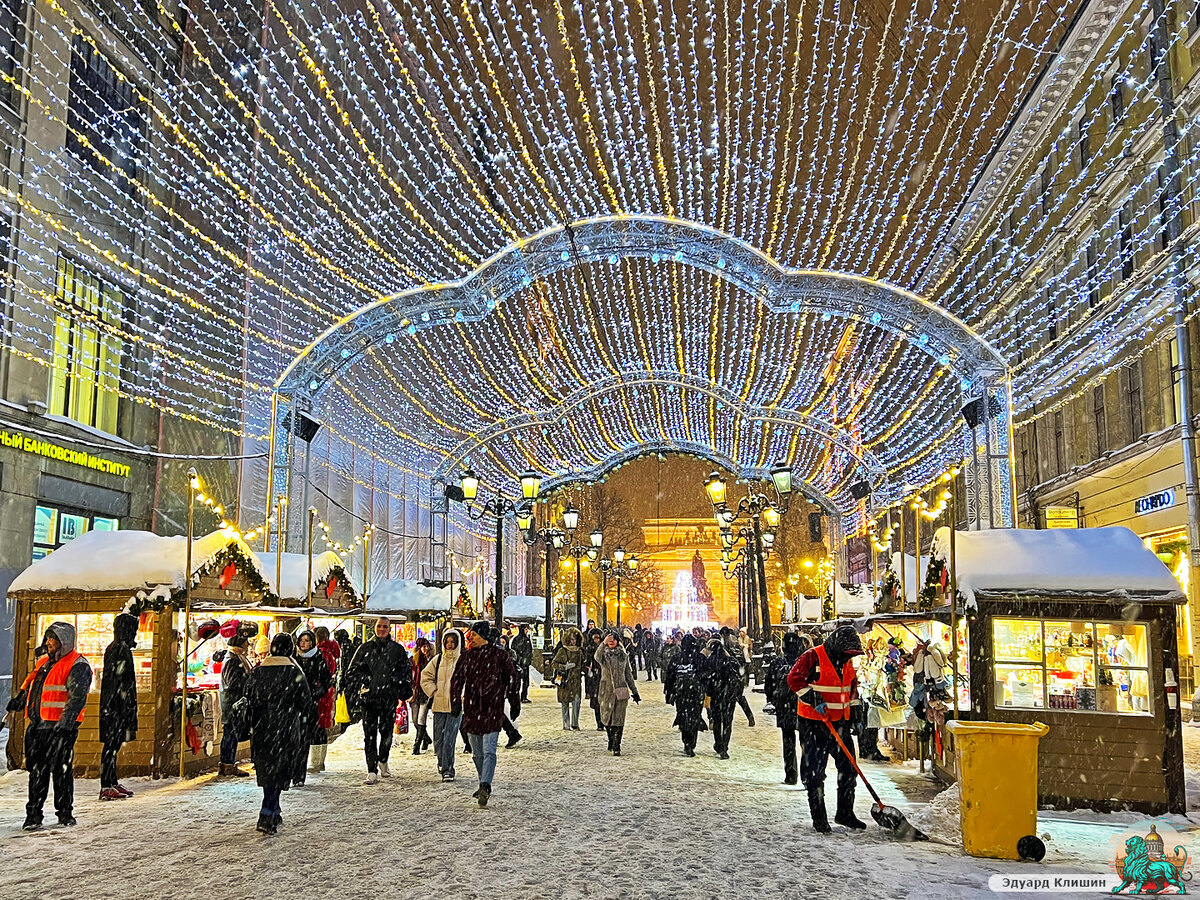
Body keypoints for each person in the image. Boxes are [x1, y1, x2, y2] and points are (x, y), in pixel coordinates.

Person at [9, 622, 93, 830]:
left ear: (63, 641)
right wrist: (20, 700)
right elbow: (33, 687)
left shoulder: (77, 664)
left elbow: (76, 699)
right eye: (47, 638)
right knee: (37, 772)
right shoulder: (45, 663)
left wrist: (65, 726)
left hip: (60, 728)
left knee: (61, 771)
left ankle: (65, 813)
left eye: (51, 639)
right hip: (38, 727)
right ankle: (33, 815)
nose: (47, 643)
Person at [787, 624, 866, 833]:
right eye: (847, 653)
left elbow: (852, 689)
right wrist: (813, 697)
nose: (849, 657)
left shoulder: (846, 662)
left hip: (840, 723)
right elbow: (794, 679)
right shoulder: (812, 656)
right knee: (815, 772)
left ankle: (845, 813)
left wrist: (856, 712)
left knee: (849, 770)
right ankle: (819, 818)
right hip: (814, 723)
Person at [243, 633, 311, 835]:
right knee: (280, 771)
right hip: (286, 729)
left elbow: (248, 698)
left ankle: (274, 809)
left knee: (268, 771)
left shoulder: (258, 672)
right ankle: (266, 813)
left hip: (262, 729)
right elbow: (305, 703)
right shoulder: (294, 672)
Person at [450, 621, 520, 807]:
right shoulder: (467, 657)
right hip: (473, 709)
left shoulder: (500, 656)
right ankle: (483, 781)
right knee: (477, 753)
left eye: (473, 635)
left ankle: (485, 784)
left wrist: (514, 702)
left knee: (489, 750)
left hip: (492, 708)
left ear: (482, 636)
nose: (470, 638)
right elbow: (456, 680)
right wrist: (455, 701)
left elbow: (512, 679)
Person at [345, 617, 412, 784]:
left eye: (385, 626)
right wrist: (367, 679)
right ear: (375, 628)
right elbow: (351, 671)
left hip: (389, 698)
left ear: (389, 629)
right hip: (369, 698)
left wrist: (396, 682)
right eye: (379, 626)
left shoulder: (397, 650)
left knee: (387, 732)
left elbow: (406, 672)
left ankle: (383, 759)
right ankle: (371, 769)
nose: (381, 629)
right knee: (369, 734)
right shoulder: (365, 649)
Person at [98, 612, 138, 800]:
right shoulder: (120, 649)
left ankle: (111, 781)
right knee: (111, 746)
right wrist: (123, 706)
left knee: (112, 745)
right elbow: (120, 681)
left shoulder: (116, 648)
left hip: (114, 706)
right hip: (115, 707)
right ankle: (107, 783)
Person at [766, 631, 810, 784]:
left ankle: (791, 775)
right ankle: (806, 776)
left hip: (785, 708)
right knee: (806, 742)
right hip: (803, 706)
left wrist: (775, 701)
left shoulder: (777, 662)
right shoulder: (805, 661)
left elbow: (769, 686)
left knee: (788, 742)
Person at [420, 629, 464, 782]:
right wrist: (434, 692)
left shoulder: (463, 660)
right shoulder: (438, 660)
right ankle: (442, 762)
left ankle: (448, 769)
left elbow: (469, 681)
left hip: (455, 706)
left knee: (449, 738)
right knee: (438, 738)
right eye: (448, 642)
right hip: (439, 706)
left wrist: (461, 696)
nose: (450, 645)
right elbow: (425, 677)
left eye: (453, 642)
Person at [292, 630, 331, 784]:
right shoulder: (294, 658)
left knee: (303, 740)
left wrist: (314, 695)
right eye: (302, 640)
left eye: (307, 640)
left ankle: (299, 775)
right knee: (294, 740)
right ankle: (293, 771)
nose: (303, 643)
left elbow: (326, 681)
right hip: (294, 705)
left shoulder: (318, 658)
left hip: (309, 705)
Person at [596, 630, 640, 756]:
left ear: (617, 641)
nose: (611, 642)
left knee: (619, 719)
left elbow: (628, 675)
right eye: (609, 640)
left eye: (613, 640)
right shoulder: (603, 655)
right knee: (606, 718)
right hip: (606, 691)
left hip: (621, 690)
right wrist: (602, 644)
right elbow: (596, 657)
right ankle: (611, 738)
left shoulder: (623, 655)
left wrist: (635, 692)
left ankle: (617, 745)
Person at [663, 634, 706, 756]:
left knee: (683, 716)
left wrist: (669, 692)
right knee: (694, 716)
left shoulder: (677, 658)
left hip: (681, 693)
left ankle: (687, 742)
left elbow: (670, 677)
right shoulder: (699, 657)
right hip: (695, 693)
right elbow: (705, 675)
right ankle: (691, 743)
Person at [218, 634, 252, 776]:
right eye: (246, 643)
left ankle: (227, 764)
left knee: (231, 732)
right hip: (231, 703)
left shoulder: (234, 658)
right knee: (230, 733)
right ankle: (227, 764)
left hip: (232, 702)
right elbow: (234, 683)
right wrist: (249, 681)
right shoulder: (233, 660)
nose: (248, 646)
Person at [705, 638, 743, 760]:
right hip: (729, 696)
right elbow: (740, 677)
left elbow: (708, 679)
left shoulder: (711, 661)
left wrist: (710, 692)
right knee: (727, 722)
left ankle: (719, 743)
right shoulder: (731, 661)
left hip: (717, 696)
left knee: (717, 721)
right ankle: (725, 747)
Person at [551, 627, 584, 730]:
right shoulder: (562, 650)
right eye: (571, 639)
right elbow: (554, 663)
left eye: (574, 639)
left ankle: (575, 723)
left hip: (576, 680)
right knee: (565, 702)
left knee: (576, 701)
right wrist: (564, 667)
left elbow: (583, 664)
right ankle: (566, 723)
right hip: (565, 680)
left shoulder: (579, 651)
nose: (573, 641)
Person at [314, 626, 340, 753]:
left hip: (320, 692)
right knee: (321, 727)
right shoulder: (329, 651)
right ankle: (318, 759)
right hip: (326, 691)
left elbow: (321, 674)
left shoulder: (322, 652)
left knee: (318, 727)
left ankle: (317, 760)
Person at [410, 636, 435, 755]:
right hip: (415, 692)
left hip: (425, 693)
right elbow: (409, 676)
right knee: (415, 720)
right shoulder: (412, 661)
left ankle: (417, 745)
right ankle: (426, 738)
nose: (425, 649)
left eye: (427, 646)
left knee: (421, 718)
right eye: (423, 647)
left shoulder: (432, 660)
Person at [583, 628, 605, 730]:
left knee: (603, 701)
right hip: (594, 678)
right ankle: (599, 723)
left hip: (602, 676)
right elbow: (587, 663)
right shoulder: (590, 648)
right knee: (596, 702)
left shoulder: (604, 648)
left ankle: (603, 721)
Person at [511, 623, 534, 703]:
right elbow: (516, 651)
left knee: (523, 681)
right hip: (521, 663)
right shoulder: (522, 639)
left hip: (522, 663)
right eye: (526, 629)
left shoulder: (521, 639)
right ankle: (521, 696)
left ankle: (522, 696)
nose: (527, 630)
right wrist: (522, 659)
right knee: (521, 681)